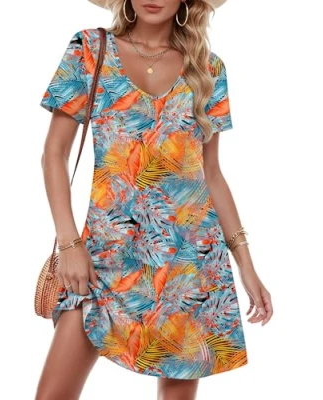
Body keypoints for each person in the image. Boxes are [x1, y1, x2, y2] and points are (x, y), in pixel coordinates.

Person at [35, 0, 273, 399]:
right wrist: (69, 243)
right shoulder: (90, 49)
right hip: (101, 258)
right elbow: (53, 154)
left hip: (188, 264)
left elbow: (211, 175)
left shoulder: (207, 69)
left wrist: (246, 264)